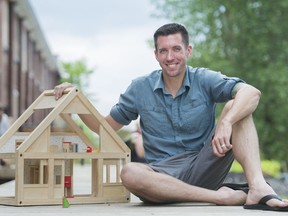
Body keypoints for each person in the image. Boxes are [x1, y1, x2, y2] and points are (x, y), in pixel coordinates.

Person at [54, 23, 288, 211]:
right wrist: (78, 101)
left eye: (176, 49)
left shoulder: (204, 79)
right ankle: (219, 198)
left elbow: (251, 92)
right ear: (156, 54)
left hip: (204, 164)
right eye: (163, 50)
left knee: (238, 107)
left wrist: (226, 121)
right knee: (130, 172)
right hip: (162, 178)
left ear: (188, 51)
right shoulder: (140, 88)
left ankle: (258, 188)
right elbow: (105, 128)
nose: (170, 56)